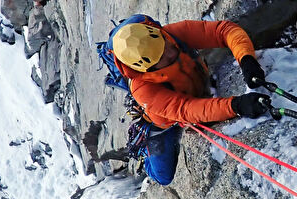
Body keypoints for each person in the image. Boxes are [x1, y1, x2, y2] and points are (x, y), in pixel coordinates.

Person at [110, 18, 271, 127]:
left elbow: (224, 30)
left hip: (200, 82)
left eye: (166, 46)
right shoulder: (144, 90)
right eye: (163, 59)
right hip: (166, 120)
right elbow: (187, 110)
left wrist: (247, 59)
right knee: (163, 175)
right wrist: (236, 106)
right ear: (149, 69)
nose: (171, 54)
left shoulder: (172, 34)